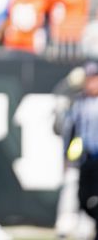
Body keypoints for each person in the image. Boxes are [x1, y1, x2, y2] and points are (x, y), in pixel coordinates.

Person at [61, 61, 98, 240]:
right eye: (89, 79)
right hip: (85, 158)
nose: (91, 83)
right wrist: (66, 156)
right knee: (82, 197)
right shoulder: (78, 102)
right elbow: (69, 130)